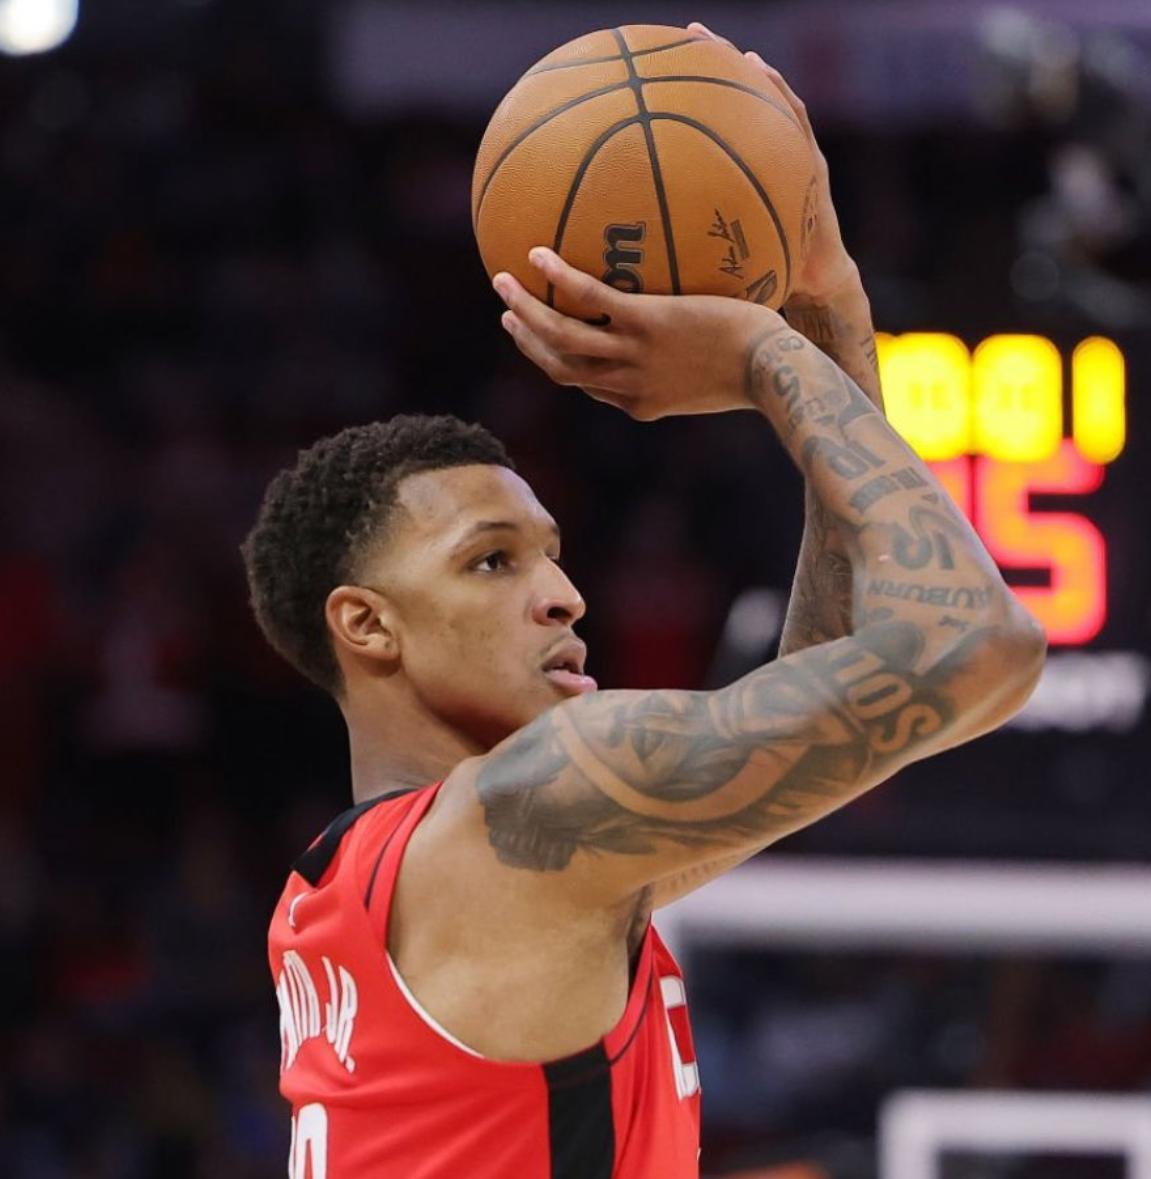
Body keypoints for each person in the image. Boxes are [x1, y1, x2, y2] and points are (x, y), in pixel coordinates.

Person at [241, 28, 1046, 1179]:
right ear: (366, 624)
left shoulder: (357, 885)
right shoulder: (532, 810)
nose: (562, 596)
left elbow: (838, 677)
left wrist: (828, 308)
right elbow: (977, 648)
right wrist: (764, 352)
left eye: (552, 556)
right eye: (491, 562)